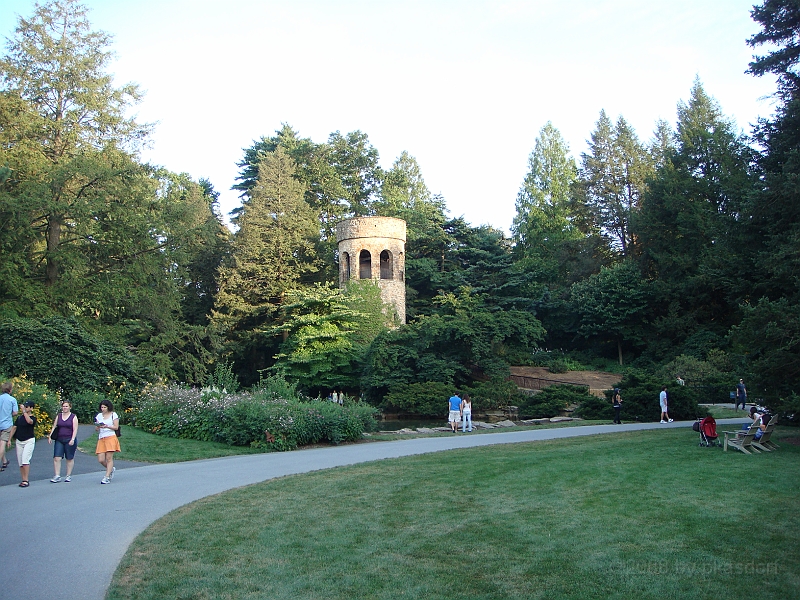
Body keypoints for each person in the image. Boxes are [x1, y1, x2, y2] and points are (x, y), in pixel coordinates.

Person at [48, 400, 79, 483]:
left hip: (69, 439)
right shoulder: (59, 416)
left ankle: (68, 475)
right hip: (59, 439)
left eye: (66, 406)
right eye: (63, 406)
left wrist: (72, 439)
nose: (65, 408)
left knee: (69, 458)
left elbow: (75, 429)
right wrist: (50, 436)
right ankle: (57, 475)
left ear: (70, 407)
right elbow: (54, 426)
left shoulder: (73, 417)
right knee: (57, 457)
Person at [8, 401, 36, 487]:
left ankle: (26, 480)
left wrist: (24, 411)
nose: (26, 408)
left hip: (29, 440)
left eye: (27, 407)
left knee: (25, 460)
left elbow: (29, 421)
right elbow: (14, 428)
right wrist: (9, 439)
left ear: (31, 408)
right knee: (20, 462)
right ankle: (23, 478)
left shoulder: (33, 418)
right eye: (25, 406)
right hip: (19, 441)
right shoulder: (19, 418)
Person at [95, 399, 121, 484]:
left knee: (109, 458)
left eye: (104, 407)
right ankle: (110, 469)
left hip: (110, 437)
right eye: (102, 407)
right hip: (102, 438)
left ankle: (106, 477)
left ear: (108, 407)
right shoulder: (99, 416)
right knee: (101, 459)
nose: (103, 409)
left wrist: (107, 426)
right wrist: (98, 427)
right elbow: (96, 428)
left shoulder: (113, 415)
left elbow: (116, 427)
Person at [0, 381, 19, 472]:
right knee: (2, 443)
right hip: (6, 423)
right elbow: (15, 412)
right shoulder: (12, 400)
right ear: (10, 390)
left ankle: (4, 461)